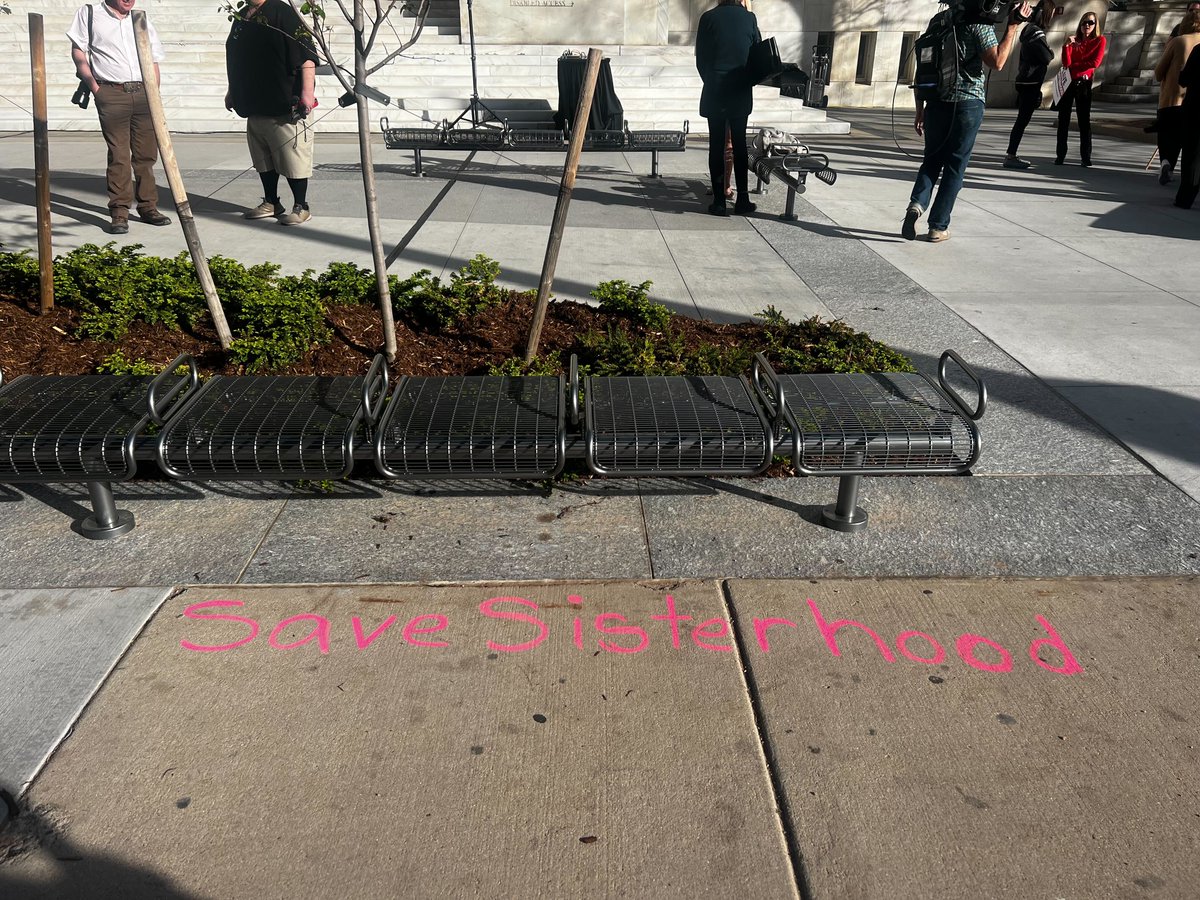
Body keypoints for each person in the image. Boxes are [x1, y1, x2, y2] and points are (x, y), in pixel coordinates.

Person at [903, 4, 1030, 243]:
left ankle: (916, 205)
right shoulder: (978, 23)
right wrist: (1012, 27)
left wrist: (919, 109)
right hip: (967, 103)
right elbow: (998, 62)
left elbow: (924, 66)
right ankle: (937, 227)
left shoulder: (938, 21)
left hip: (936, 102)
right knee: (954, 167)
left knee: (931, 160)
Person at [66, 0, 172, 235]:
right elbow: (78, 50)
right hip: (111, 92)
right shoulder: (90, 13)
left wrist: (154, 91)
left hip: (144, 92)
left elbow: (153, 58)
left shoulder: (140, 18)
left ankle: (148, 207)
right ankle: (120, 212)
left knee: (146, 154)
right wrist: (95, 88)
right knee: (119, 154)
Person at [225, 0, 319, 226]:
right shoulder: (241, 16)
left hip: (284, 103)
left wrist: (307, 92)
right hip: (254, 103)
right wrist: (232, 91)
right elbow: (235, 59)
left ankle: (301, 206)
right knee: (263, 158)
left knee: (293, 157)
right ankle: (271, 202)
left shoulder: (283, 11)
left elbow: (306, 53)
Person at [695, 0, 760, 217]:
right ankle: (743, 198)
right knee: (739, 145)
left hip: (715, 89)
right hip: (740, 90)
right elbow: (755, 55)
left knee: (717, 146)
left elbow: (701, 59)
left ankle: (719, 201)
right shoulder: (749, 18)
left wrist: (712, 79)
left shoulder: (708, 18)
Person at [1004, 1, 1060, 168]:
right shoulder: (1036, 32)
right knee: (1022, 120)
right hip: (1030, 82)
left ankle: (1011, 154)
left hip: (1026, 81)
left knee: (1022, 120)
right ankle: (1011, 155)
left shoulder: (1030, 31)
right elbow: (1047, 57)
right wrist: (1050, 51)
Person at [1154, 10, 1200, 185]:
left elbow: (1159, 72)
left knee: (1166, 134)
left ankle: (1166, 163)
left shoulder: (1178, 41)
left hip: (1171, 98)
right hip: (1193, 100)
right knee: (1187, 138)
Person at [1055, 12, 1106, 167]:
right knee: (1063, 119)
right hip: (1069, 82)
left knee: (1084, 120)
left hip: (1083, 83)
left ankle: (1085, 157)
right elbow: (1066, 62)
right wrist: (1066, 45)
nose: (1087, 26)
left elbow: (1094, 63)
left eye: (1090, 22)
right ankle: (1060, 155)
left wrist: (1074, 67)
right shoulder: (1074, 40)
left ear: (1096, 24)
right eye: (1084, 23)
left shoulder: (1099, 40)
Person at [1176, 44, 1200, 208]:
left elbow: (1184, 79)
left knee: (1191, 154)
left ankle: (1185, 198)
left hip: (1195, 108)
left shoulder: (1199, 50)